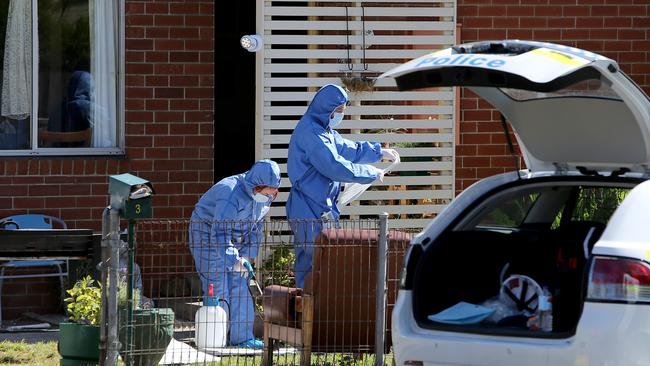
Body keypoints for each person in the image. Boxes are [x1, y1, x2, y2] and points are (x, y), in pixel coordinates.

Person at [286, 84, 399, 288]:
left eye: (343, 111)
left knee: (314, 263)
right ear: (326, 109)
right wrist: (370, 172)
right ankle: (315, 313)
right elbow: (335, 166)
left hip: (316, 206)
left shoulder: (323, 130)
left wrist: (378, 152)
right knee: (321, 262)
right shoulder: (312, 133)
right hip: (310, 208)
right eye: (337, 111)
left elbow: (349, 149)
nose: (340, 115)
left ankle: (307, 314)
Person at [189, 159, 281, 349]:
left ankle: (241, 338)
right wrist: (233, 259)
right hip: (206, 233)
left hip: (234, 237)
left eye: (273, 193)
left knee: (240, 282)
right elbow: (219, 232)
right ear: (257, 186)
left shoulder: (263, 198)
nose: (270, 197)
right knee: (218, 284)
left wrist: (246, 256)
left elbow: (256, 228)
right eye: (267, 193)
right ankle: (217, 339)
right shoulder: (230, 193)